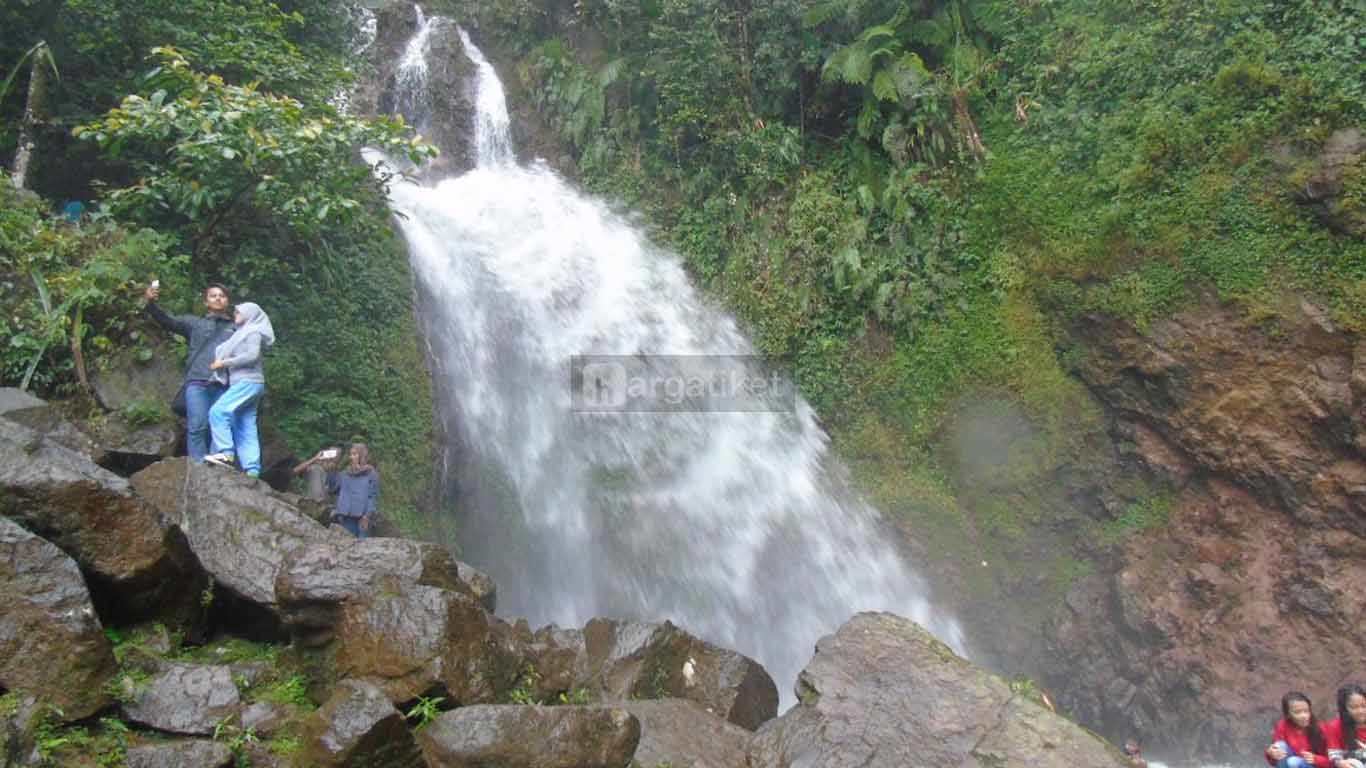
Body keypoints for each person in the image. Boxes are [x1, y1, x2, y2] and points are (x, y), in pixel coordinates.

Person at [143, 282, 236, 462]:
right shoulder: (194, 323)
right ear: (206, 302)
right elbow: (167, 320)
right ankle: (198, 465)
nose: (218, 298)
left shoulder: (236, 329)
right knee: (197, 425)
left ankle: (217, 467)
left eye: (222, 296)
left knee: (221, 426)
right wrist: (151, 303)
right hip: (197, 381)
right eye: (213, 295)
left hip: (224, 384)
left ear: (228, 302)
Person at [203, 302, 274, 477]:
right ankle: (252, 469)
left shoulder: (253, 332)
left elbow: (252, 356)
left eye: (239, 311)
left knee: (218, 412)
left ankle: (226, 453)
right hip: (247, 383)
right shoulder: (241, 333)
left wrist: (224, 363)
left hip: (248, 382)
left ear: (249, 314)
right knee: (245, 424)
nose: (235, 313)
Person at [295, 443, 379, 539]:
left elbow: (372, 496)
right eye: (351, 454)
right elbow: (333, 487)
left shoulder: (370, 474)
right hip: (346, 516)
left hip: (363, 517)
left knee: (363, 545)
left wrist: (367, 516)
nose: (351, 457)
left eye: (355, 454)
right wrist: (330, 468)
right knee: (347, 546)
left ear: (362, 455)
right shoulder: (345, 474)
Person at [1267, 691, 1332, 768]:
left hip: (1313, 765)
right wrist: (1271, 753)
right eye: (1297, 712)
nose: (1304, 716)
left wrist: (1315, 759)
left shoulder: (1321, 728)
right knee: (1279, 745)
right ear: (1288, 714)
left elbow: (1333, 762)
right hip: (1290, 763)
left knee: (1294, 762)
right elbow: (1276, 760)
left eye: (1306, 711)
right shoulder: (1283, 725)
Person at [1326, 684, 1366, 768]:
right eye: (1354, 707)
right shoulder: (1334, 726)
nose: (1361, 711)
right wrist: (1341, 763)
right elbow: (1335, 755)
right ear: (1344, 708)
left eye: (1364, 706)